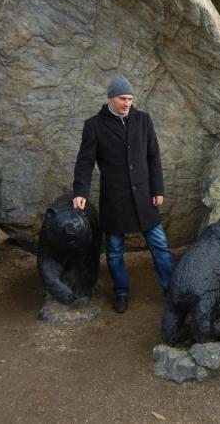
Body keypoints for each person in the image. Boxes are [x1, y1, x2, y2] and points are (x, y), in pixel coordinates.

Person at [73, 74, 173, 314]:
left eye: (130, 98)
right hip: (114, 198)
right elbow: (85, 162)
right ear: (110, 98)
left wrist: (158, 189)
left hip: (144, 196)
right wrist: (80, 191)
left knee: (160, 245)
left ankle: (172, 289)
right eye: (122, 98)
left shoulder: (143, 120)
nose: (127, 103)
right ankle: (121, 292)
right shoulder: (94, 126)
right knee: (116, 251)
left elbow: (153, 157)